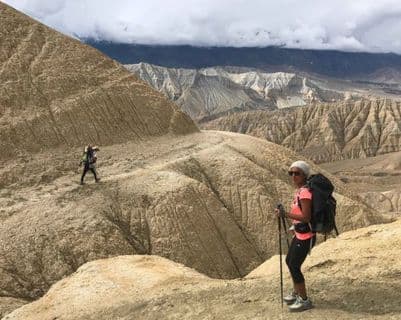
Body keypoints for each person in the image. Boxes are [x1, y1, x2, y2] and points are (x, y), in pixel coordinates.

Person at [275, 160, 316, 312]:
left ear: (304, 175)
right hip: (299, 233)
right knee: (289, 261)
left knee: (294, 266)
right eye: (291, 173)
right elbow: (299, 214)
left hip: (305, 236)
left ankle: (304, 300)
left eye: (297, 173)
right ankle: (297, 292)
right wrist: (293, 224)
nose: (293, 176)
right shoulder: (300, 190)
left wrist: (284, 214)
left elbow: (306, 217)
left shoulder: (305, 192)